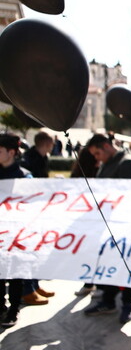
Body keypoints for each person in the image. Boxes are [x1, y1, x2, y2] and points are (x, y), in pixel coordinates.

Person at [83, 133, 131, 323]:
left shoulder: (127, 163)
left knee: (126, 266)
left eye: (98, 153)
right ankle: (108, 300)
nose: (97, 158)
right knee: (109, 263)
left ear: (107, 146)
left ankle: (126, 305)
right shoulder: (108, 163)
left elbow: (129, 195)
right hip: (107, 225)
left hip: (124, 225)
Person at [19, 131, 56, 306]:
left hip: (40, 207)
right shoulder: (28, 160)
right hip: (29, 210)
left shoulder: (42, 158)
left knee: (37, 249)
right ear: (47, 143)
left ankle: (34, 285)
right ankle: (27, 290)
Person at [0, 134, 33, 327]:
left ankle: (13, 309)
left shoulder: (24, 176)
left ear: (11, 152)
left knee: (14, 273)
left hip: (16, 234)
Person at [71, 146, 101, 297]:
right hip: (89, 219)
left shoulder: (97, 172)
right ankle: (90, 282)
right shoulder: (88, 175)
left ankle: (92, 283)